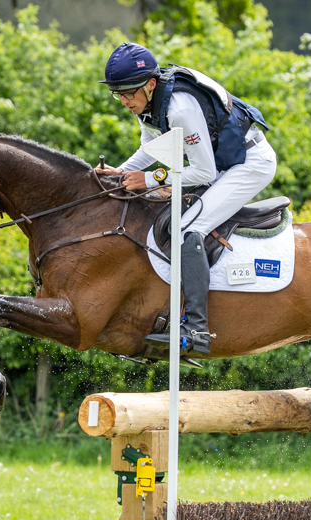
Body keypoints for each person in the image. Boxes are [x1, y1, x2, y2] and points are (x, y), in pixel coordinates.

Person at [97, 42, 277, 357]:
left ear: (150, 84)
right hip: (224, 163)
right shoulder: (148, 105)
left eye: (128, 93)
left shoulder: (179, 109)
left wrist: (151, 179)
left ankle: (197, 330)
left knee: (187, 229)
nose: (124, 102)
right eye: (118, 94)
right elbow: (150, 149)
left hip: (250, 164)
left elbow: (204, 171)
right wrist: (120, 174)